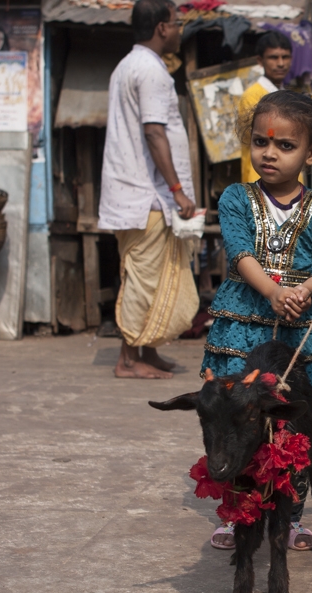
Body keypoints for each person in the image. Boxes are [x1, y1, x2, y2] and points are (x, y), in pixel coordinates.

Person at [202, 90, 312, 553]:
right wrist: (273, 291)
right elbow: (239, 252)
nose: (270, 153)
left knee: (288, 423)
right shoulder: (236, 198)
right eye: (261, 142)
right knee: (238, 420)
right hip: (243, 325)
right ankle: (238, 514)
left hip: (295, 333)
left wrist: (307, 288)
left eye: (285, 146)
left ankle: (293, 515)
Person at [98, 0, 198, 380]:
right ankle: (127, 359)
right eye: (176, 23)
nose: (178, 30)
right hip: (147, 196)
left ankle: (148, 351)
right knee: (143, 277)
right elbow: (155, 132)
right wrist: (177, 191)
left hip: (136, 194)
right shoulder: (151, 71)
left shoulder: (127, 66)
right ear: (161, 27)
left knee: (153, 276)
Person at [238, 31, 292, 183]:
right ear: (260, 60)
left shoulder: (288, 96)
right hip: (260, 181)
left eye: (285, 57)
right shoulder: (252, 96)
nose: (281, 63)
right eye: (273, 57)